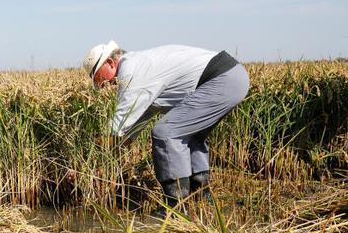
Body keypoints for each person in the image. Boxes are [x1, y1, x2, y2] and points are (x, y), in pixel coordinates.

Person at [83, 41, 250, 216]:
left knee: (165, 133)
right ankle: (201, 197)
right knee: (189, 135)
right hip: (231, 75)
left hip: (221, 79)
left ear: (110, 63)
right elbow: (137, 119)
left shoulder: (131, 72)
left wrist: (96, 161)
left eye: (97, 76)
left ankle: (175, 207)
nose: (100, 85)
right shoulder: (139, 67)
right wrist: (120, 147)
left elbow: (118, 124)